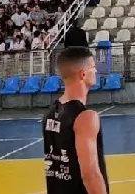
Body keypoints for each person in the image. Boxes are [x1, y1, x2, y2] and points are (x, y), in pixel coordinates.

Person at [43, 47, 109, 194]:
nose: (96, 71)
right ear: (83, 74)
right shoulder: (85, 117)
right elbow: (90, 175)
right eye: (93, 67)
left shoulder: (49, 113)